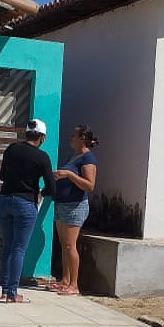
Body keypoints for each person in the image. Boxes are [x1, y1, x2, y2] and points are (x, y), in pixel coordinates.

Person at [0, 119, 55, 304]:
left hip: (4, 200)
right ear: (42, 137)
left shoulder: (11, 149)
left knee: (7, 246)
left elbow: (2, 176)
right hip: (25, 203)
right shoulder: (42, 157)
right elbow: (52, 188)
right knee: (19, 249)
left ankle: (5, 291)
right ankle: (13, 294)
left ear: (26, 133)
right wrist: (41, 193)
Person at [51, 125, 99, 296]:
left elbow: (90, 185)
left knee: (71, 245)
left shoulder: (88, 159)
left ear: (82, 138)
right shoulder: (75, 156)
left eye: (73, 135)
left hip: (75, 206)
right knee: (64, 245)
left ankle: (74, 285)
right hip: (63, 204)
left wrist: (69, 175)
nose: (70, 138)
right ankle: (65, 280)